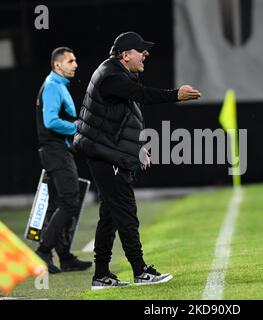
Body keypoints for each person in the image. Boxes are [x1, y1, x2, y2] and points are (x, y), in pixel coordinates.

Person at [74, 31, 201, 289]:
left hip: (106, 150)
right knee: (124, 209)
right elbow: (144, 95)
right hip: (103, 153)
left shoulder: (117, 73)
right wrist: (176, 94)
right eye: (140, 50)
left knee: (110, 213)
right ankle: (140, 270)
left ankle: (101, 275)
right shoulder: (111, 76)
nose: (146, 54)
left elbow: (127, 117)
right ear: (125, 55)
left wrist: (138, 148)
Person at [35, 47, 92, 273]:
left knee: (63, 203)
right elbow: (50, 122)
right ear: (58, 65)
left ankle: (65, 257)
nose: (76, 64)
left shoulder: (58, 85)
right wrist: (77, 128)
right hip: (55, 151)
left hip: (58, 150)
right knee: (69, 201)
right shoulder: (52, 86)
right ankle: (43, 251)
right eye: (71, 61)